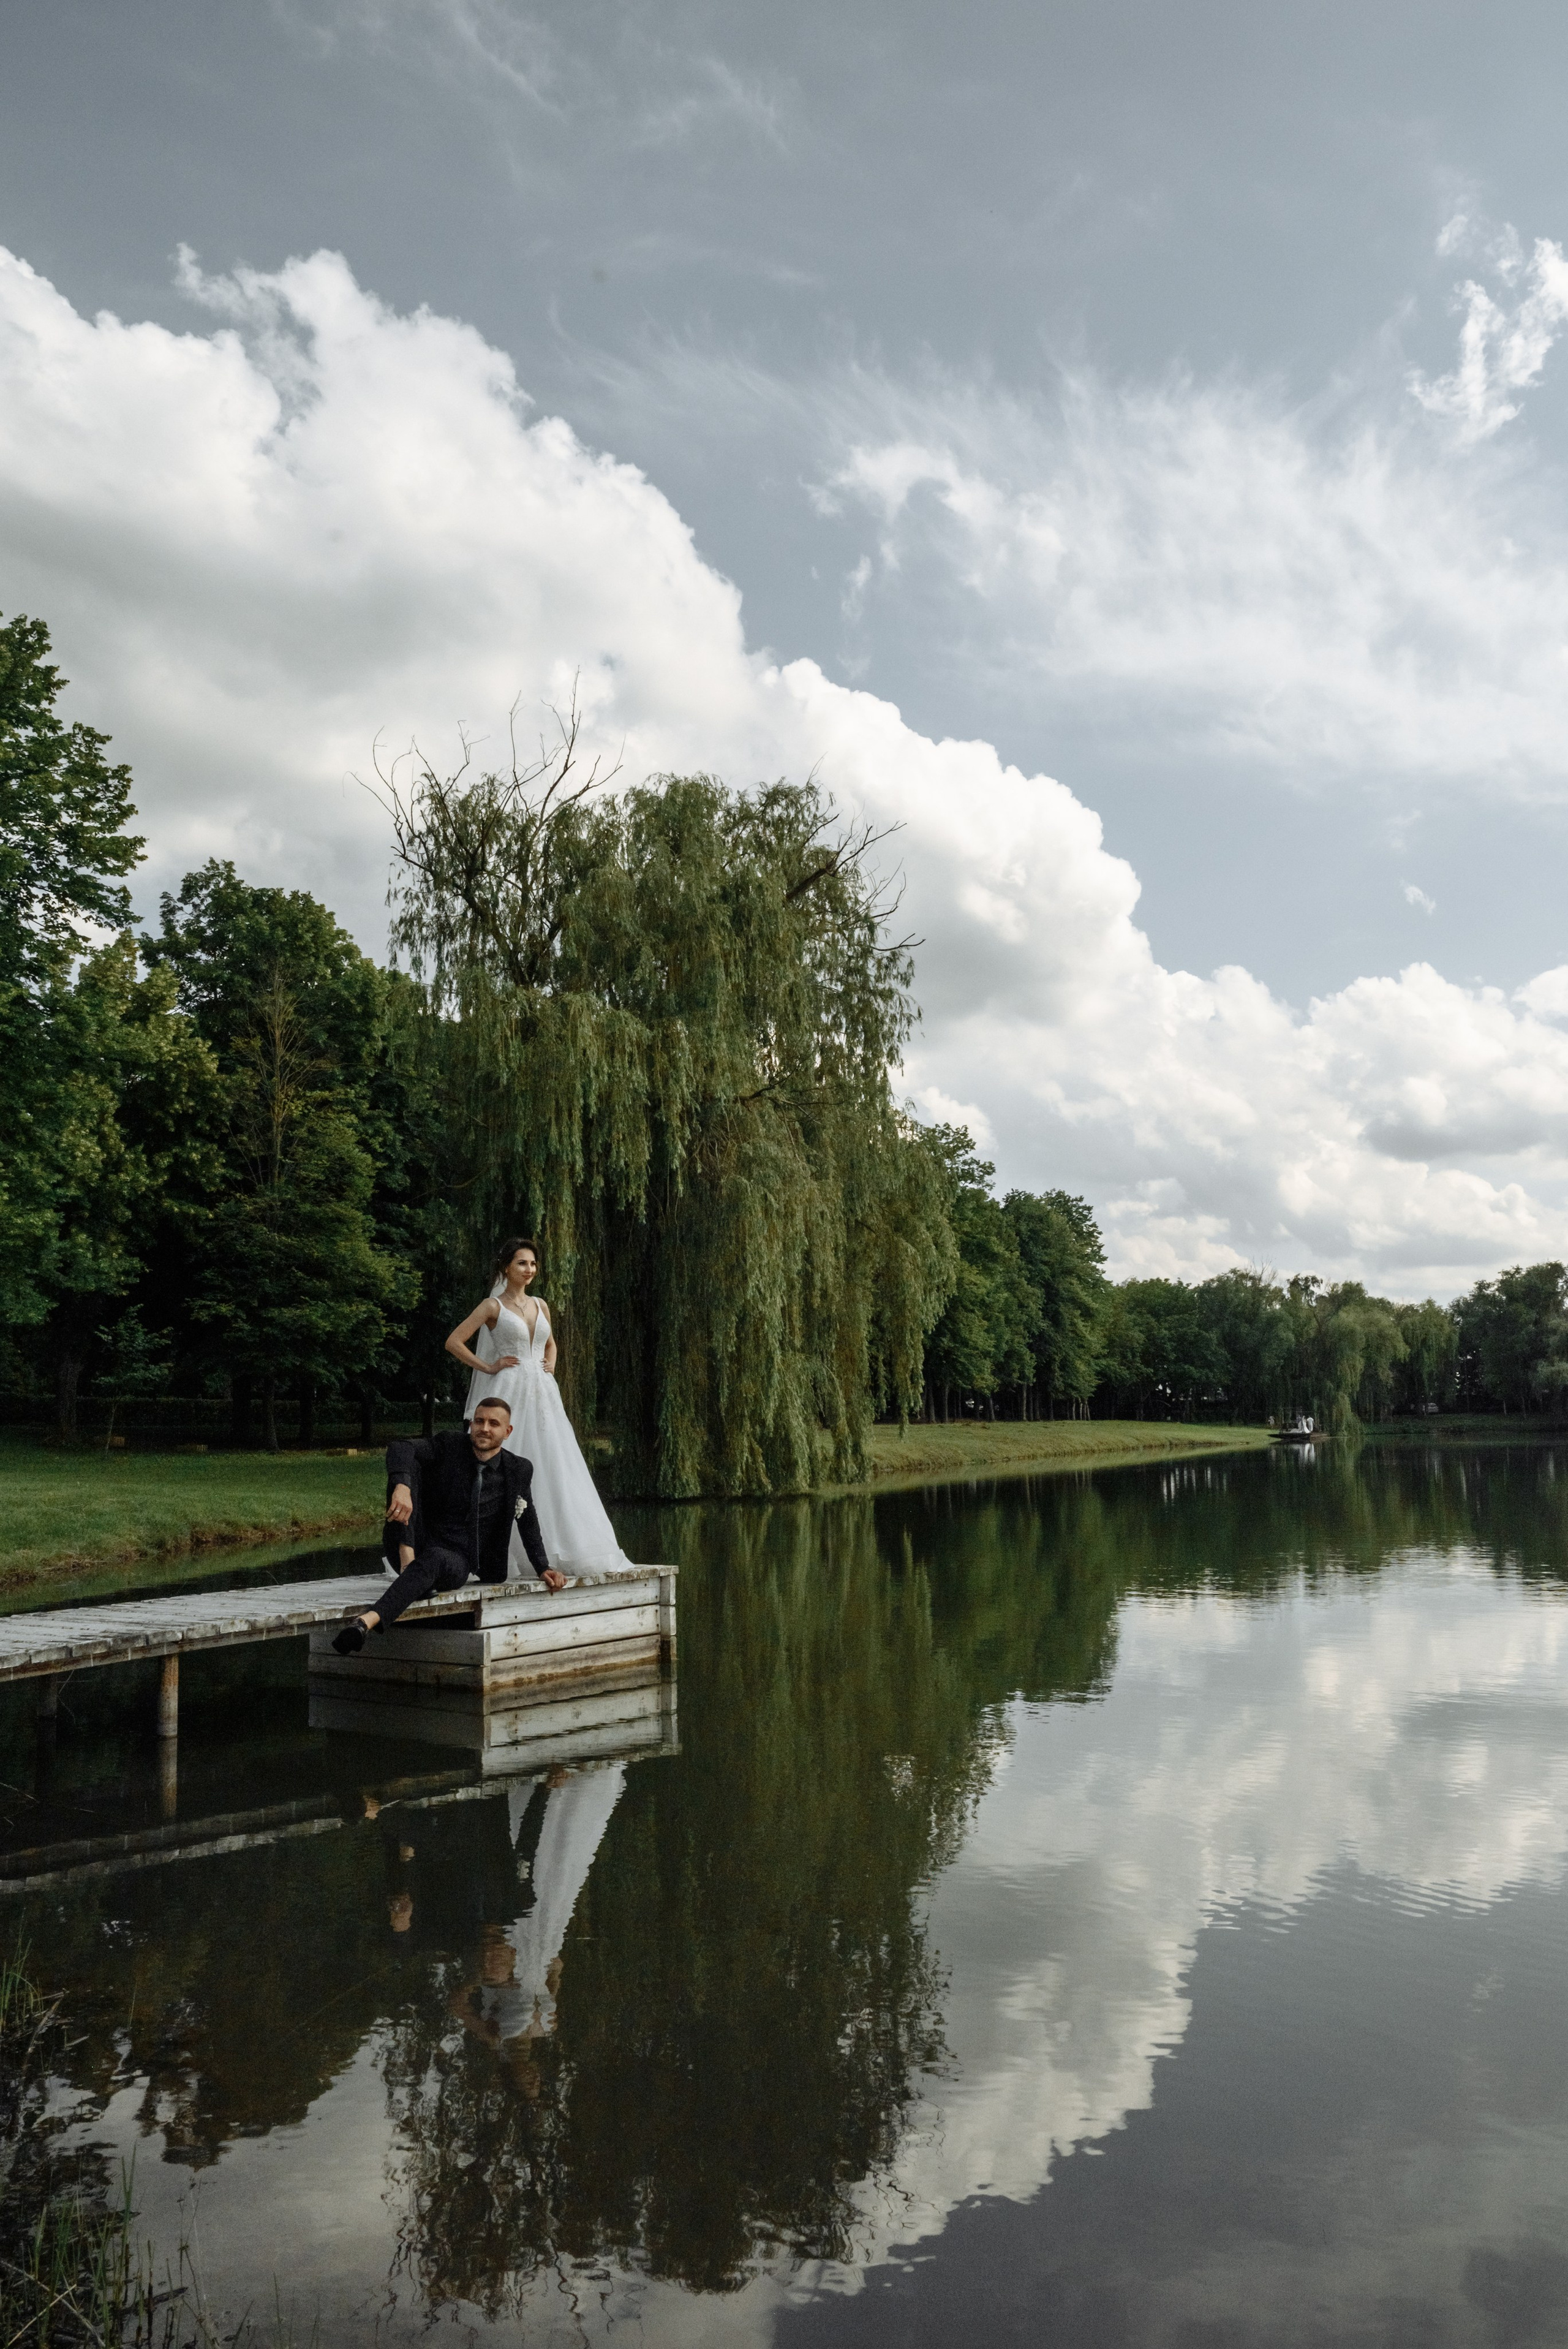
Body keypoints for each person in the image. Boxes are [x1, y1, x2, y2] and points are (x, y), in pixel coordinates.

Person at [443, 1236, 630, 1576]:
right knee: (510, 1455)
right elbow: (454, 1341)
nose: (529, 1270)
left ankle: (561, 1547)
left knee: (555, 1460)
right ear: (506, 1267)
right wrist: (488, 1366)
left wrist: (550, 1366)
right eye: (522, 1264)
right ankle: (497, 1552)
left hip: (543, 1391)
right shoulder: (492, 1307)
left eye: (533, 1264)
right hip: (509, 1387)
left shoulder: (541, 1304)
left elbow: (551, 1344)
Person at [331, 1394, 567, 1657]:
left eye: (493, 1423)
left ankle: (365, 1623)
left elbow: (527, 1517)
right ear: (471, 1424)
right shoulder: (450, 1445)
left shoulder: (518, 1469)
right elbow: (400, 1447)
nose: (484, 1429)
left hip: (458, 1561)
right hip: (413, 1542)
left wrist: (543, 1566)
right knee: (406, 1473)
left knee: (434, 1559)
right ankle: (407, 1559)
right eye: (479, 1421)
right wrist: (402, 1486)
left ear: (507, 1431)